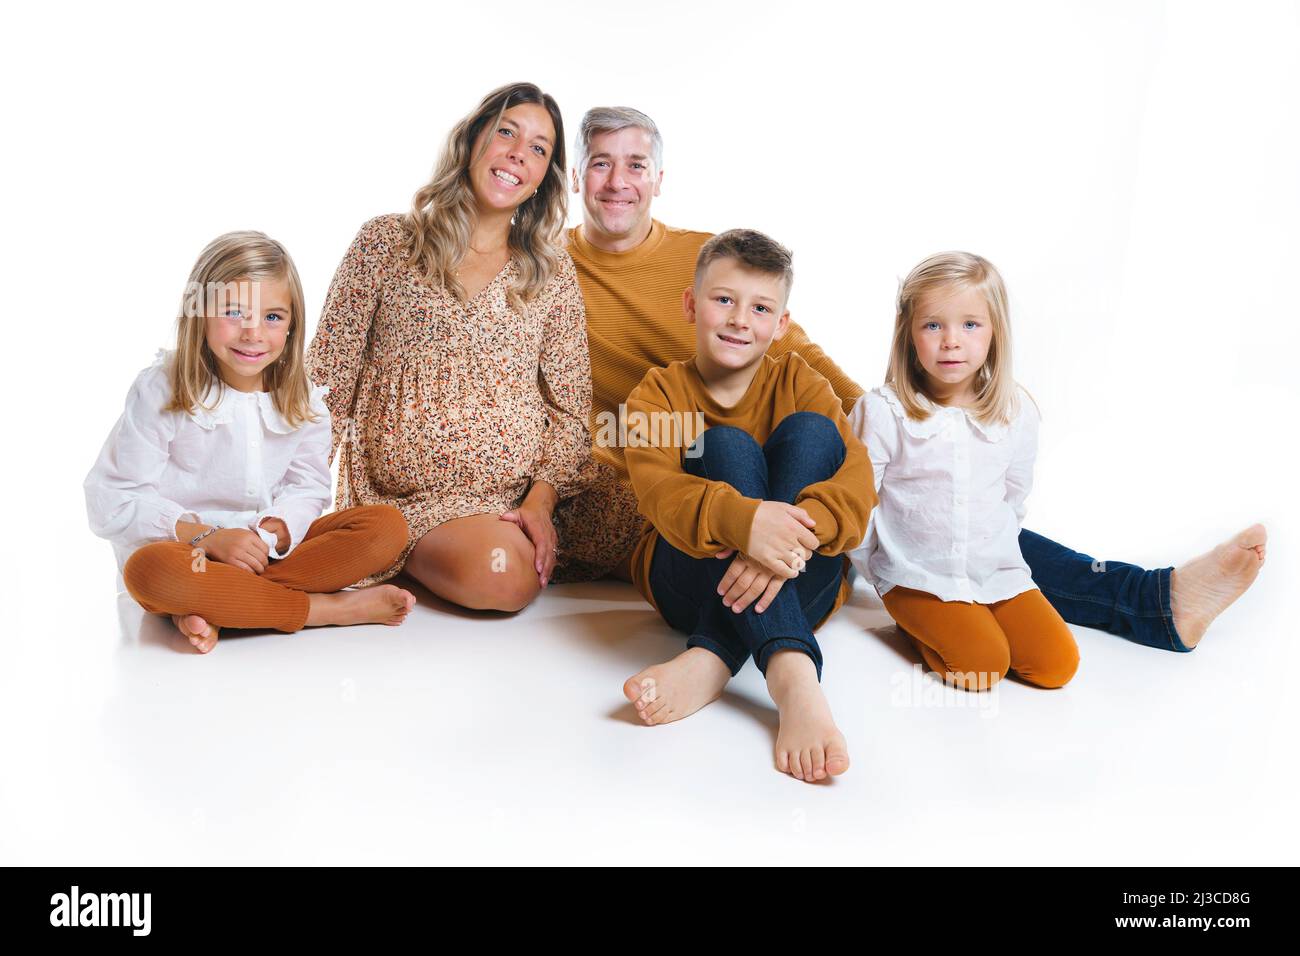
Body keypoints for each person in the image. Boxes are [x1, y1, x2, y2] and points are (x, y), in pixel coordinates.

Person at [557, 105, 1266, 652]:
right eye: (600, 164)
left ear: (659, 178)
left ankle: (1150, 601)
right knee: (840, 511)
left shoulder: (705, 258)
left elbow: (791, 345)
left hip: (786, 467)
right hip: (689, 477)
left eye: (636, 164)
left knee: (939, 507)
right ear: (577, 175)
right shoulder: (549, 272)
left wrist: (880, 422)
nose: (619, 182)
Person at [307, 83, 594, 613]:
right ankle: (388, 543)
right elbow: (328, 378)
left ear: (542, 181)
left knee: (652, 526)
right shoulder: (386, 243)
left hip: (509, 502)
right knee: (500, 576)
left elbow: (572, 411)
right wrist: (293, 499)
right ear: (471, 142)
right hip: (397, 496)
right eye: (506, 131)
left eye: (538, 148)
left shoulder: (550, 270)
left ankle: (382, 554)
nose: (517, 153)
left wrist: (541, 501)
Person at [623, 230, 874, 782]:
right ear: (692, 304)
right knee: (725, 446)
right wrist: (745, 522)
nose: (740, 320)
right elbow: (658, 492)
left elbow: (858, 481)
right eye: (724, 300)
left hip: (801, 567)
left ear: (781, 324)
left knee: (812, 434)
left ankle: (714, 657)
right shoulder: (658, 393)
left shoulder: (801, 382)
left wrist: (781, 541)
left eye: (760, 307)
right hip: (688, 577)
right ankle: (795, 675)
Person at [86, 231, 414, 654]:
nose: (253, 333)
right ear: (200, 313)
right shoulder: (163, 390)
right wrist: (207, 537)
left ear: (293, 323)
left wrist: (274, 530)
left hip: (261, 551)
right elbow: (109, 500)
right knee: (150, 573)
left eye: (273, 317)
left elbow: (308, 487)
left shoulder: (304, 400)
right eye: (234, 313)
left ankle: (222, 605)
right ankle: (323, 611)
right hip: (185, 551)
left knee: (386, 527)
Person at [850, 252, 1078, 690]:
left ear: (995, 332)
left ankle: (974, 619)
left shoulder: (1016, 411)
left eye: (970, 324)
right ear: (909, 335)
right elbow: (860, 504)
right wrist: (880, 576)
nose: (951, 341)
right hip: (917, 576)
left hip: (994, 572)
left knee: (1056, 666)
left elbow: (1014, 496)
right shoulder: (883, 412)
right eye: (933, 325)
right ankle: (919, 624)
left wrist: (996, 561)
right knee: (981, 667)